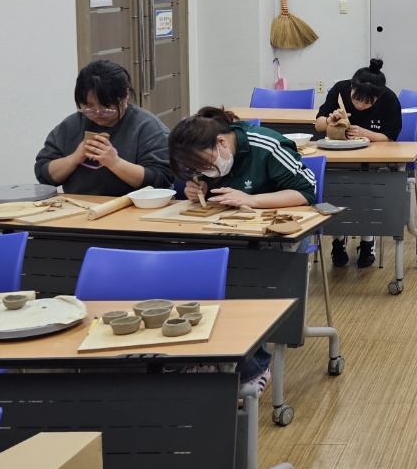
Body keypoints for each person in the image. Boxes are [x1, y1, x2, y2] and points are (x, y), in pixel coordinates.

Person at [167, 107, 318, 397]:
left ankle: (253, 367)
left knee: (243, 277)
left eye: (204, 165)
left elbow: (306, 192)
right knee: (189, 270)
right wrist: (195, 189)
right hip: (225, 231)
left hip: (276, 235)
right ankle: (203, 357)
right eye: (195, 168)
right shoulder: (208, 156)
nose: (202, 170)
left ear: (221, 143)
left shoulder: (267, 145)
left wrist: (251, 199)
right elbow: (203, 183)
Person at [35, 59, 172, 197]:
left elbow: (161, 180)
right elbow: (44, 174)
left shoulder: (147, 128)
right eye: (88, 106)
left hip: (133, 206)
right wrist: (75, 157)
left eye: (106, 106)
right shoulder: (71, 125)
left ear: (125, 96)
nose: (97, 113)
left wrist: (115, 163)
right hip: (80, 205)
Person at [314, 59, 403, 268]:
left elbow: (390, 137)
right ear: (351, 88)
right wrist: (330, 120)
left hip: (372, 163)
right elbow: (318, 125)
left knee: (367, 190)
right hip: (339, 160)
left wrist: (365, 133)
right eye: (356, 99)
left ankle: (367, 241)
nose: (360, 106)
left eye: (367, 103)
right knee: (334, 188)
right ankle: (337, 240)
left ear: (377, 97)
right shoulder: (340, 90)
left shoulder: (389, 99)